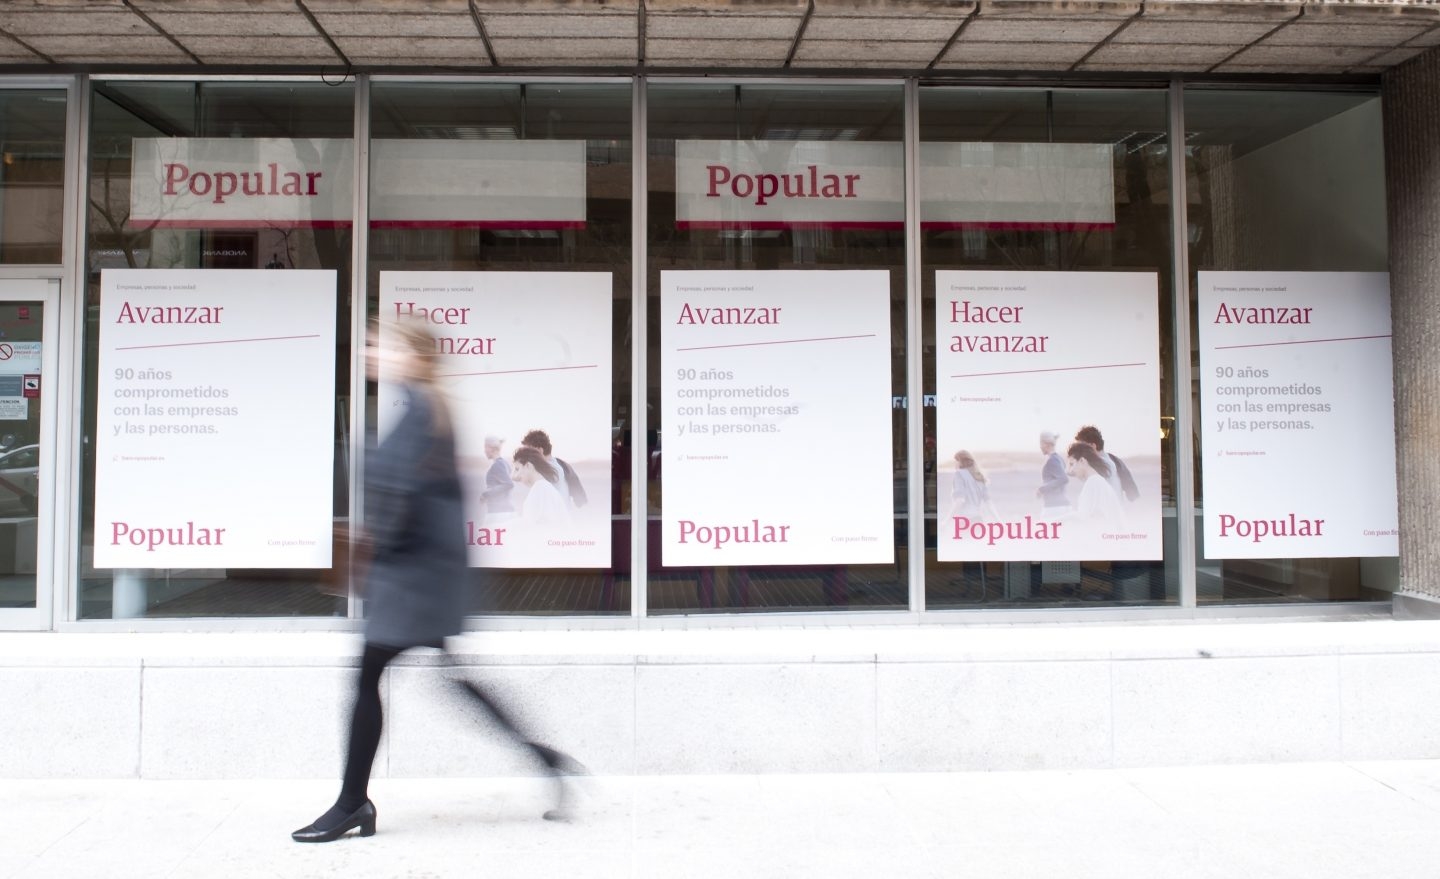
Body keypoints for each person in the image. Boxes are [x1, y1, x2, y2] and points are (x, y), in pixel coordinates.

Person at [291, 320, 578, 844]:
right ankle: (547, 761)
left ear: (413, 357)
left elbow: (405, 498)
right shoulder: (423, 407)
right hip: (420, 576)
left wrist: (369, 554)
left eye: (383, 345)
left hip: (412, 577)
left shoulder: (424, 412)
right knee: (451, 681)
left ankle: (353, 802)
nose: (371, 352)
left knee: (370, 679)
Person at [1065, 441, 1126, 531]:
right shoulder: (1099, 481)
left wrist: (1052, 521)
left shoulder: (1094, 481)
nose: (1071, 470)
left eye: (1072, 464)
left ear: (1082, 460)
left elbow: (1082, 517)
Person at [521, 429, 588, 508]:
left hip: (553, 518)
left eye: (528, 451)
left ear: (540, 450)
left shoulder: (545, 469)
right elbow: (580, 498)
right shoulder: (563, 465)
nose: (526, 456)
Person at [1074, 425, 1139, 502]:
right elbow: (1133, 492)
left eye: (1081, 447)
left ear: (1093, 446)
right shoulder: (1115, 460)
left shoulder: (1096, 464)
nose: (1079, 451)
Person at [513, 445, 571, 527]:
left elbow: (545, 526)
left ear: (528, 466)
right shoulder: (543, 487)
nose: (516, 475)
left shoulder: (541, 488)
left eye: (517, 469)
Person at [951, 450, 997, 521]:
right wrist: (999, 521)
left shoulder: (959, 474)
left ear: (960, 462)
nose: (954, 463)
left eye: (955, 461)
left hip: (964, 520)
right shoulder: (979, 476)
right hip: (978, 519)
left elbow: (960, 500)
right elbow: (989, 503)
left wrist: (946, 520)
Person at [479, 435, 515, 520]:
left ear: (492, 448)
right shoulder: (504, 463)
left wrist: (485, 494)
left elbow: (508, 484)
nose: (484, 451)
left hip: (499, 513)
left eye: (485, 447)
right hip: (504, 511)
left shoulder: (498, 465)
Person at [1034, 431, 1069, 511]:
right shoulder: (1059, 458)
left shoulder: (1052, 460)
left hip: (1054, 507)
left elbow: (1063, 479)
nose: (1040, 447)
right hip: (1059, 505)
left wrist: (1042, 489)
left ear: (1047, 444)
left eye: (1041, 443)